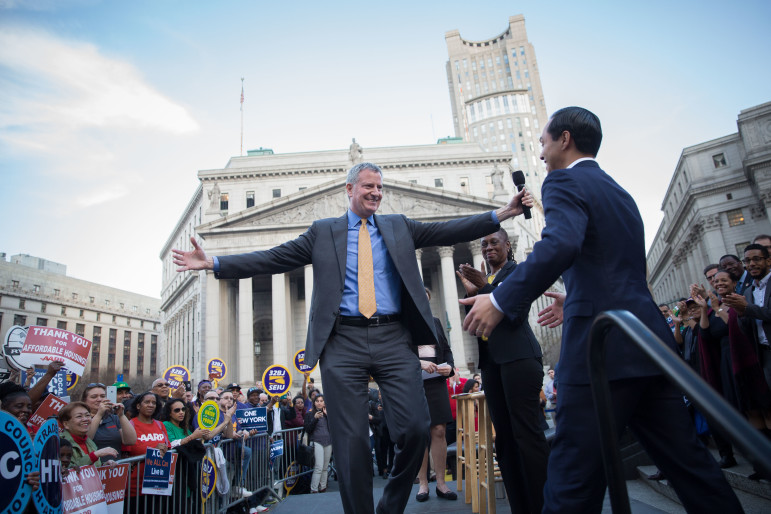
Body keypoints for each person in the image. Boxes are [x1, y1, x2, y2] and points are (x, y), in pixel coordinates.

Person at [172, 161, 532, 514]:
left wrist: (501, 213)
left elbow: (449, 230)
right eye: (368, 187)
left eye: (380, 188)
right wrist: (214, 264)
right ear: (349, 189)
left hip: (393, 337)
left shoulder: (399, 226)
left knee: (418, 428)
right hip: (342, 341)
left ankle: (391, 504)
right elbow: (273, 258)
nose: (376, 193)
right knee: (352, 442)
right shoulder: (323, 232)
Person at [460, 106, 741, 513]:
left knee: (571, 476)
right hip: (646, 342)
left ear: (565, 139)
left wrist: (500, 299)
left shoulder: (561, 183)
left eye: (542, 142)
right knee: (692, 467)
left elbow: (560, 245)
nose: (540, 154)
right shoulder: (618, 191)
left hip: (601, 347)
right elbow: (614, 270)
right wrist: (574, 297)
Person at [457, 227, 550, 513]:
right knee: (506, 442)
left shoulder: (517, 272)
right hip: (493, 365)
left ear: (507, 246)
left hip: (519, 361)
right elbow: (478, 323)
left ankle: (544, 504)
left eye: (493, 242)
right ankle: (521, 506)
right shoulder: (492, 280)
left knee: (527, 436)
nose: (487, 248)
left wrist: (484, 286)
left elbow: (514, 313)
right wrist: (476, 292)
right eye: (483, 244)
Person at [415, 289, 456, 502]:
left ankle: (441, 483)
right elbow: (398, 353)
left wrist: (449, 366)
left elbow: (446, 350)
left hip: (436, 382)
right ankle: (423, 483)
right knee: (421, 433)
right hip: (414, 384)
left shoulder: (435, 322)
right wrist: (418, 363)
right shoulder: (405, 323)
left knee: (439, 430)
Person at [59, 401, 118, 467]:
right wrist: (95, 455)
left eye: (87, 415)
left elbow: (91, 469)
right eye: (79, 416)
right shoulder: (59, 443)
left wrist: (104, 465)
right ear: (66, 424)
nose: (85, 419)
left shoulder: (89, 442)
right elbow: (69, 469)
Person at [82, 383, 137, 455]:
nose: (99, 399)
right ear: (85, 400)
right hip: (93, 464)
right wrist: (99, 414)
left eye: (102, 396)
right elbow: (86, 440)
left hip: (113, 464)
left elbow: (131, 441)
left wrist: (121, 415)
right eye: (94, 397)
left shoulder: (113, 418)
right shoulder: (82, 419)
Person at [304, 394, 333, 493]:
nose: (319, 403)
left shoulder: (328, 413)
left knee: (325, 467)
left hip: (328, 442)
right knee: (319, 467)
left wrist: (328, 416)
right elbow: (308, 429)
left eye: (321, 400)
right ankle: (314, 488)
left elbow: (333, 428)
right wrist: (315, 418)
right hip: (317, 442)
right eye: (317, 401)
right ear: (314, 403)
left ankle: (323, 487)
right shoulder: (309, 414)